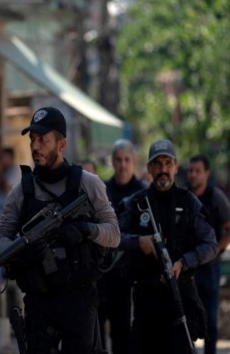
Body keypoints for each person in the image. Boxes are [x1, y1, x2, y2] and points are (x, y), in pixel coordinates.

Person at [0, 107, 120, 354]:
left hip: (79, 299)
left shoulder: (88, 183)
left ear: (61, 144)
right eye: (32, 139)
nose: (35, 146)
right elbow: (0, 240)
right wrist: (19, 251)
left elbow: (114, 234)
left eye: (43, 139)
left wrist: (86, 229)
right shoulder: (21, 192)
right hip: (40, 300)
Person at [118, 139, 218, 353]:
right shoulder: (135, 203)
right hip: (146, 302)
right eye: (157, 164)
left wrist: (183, 262)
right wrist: (138, 242)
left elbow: (211, 245)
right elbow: (114, 237)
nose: (163, 170)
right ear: (149, 168)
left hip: (178, 299)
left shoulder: (189, 203)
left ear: (175, 167)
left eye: (167, 163)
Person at [97, 139, 148, 354]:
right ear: (112, 162)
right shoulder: (102, 190)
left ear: (134, 162)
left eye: (127, 160)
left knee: (124, 335)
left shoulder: (144, 193)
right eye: (118, 160)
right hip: (102, 273)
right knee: (98, 333)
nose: (123, 165)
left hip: (132, 276)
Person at [187, 154, 230, 354]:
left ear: (207, 173)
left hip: (210, 269)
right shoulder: (183, 197)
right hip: (187, 267)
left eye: (198, 171)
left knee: (210, 321)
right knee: (186, 320)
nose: (193, 175)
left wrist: (214, 251)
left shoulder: (216, 198)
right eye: (191, 170)